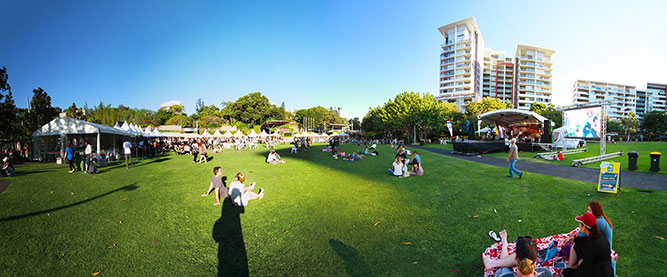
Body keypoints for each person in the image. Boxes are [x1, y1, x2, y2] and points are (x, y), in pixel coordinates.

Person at [565, 201, 615, 275]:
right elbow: (585, 240)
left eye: (580, 224)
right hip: (602, 265)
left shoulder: (591, 246)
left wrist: (571, 271)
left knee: (566, 272)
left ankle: (570, 268)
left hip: (599, 273)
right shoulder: (597, 232)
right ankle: (571, 267)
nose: (579, 226)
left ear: (584, 227)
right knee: (575, 246)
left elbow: (586, 269)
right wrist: (572, 239)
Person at [482, 230, 552, 277]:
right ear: (536, 260)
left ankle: (504, 243)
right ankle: (504, 243)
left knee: (504, 268)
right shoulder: (546, 273)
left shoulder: (504, 275)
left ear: (515, 258)